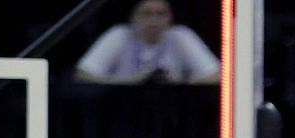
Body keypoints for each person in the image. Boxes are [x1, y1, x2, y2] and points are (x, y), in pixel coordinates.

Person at [75, 0, 220, 84]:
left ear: (171, 17)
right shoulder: (119, 34)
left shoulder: (181, 35)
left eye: (161, 14)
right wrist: (127, 82)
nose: (154, 21)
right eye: (146, 14)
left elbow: (218, 75)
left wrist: (181, 81)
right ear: (133, 16)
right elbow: (83, 74)